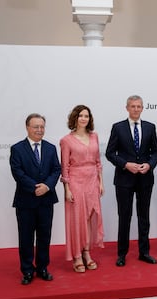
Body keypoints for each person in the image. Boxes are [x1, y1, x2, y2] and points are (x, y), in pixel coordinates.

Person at [106, 95, 157, 267]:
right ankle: (122, 254)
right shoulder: (118, 127)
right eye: (133, 106)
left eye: (139, 106)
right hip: (124, 180)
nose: (136, 109)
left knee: (144, 217)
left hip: (145, 179)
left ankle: (144, 252)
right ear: (127, 108)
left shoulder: (150, 127)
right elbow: (109, 153)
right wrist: (125, 164)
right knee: (125, 217)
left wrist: (149, 165)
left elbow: (156, 152)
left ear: (142, 108)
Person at [10, 113, 61, 285]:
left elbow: (56, 170)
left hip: (46, 200)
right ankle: (27, 270)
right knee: (26, 237)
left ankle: (42, 268)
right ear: (27, 127)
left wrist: (47, 186)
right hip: (26, 201)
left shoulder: (51, 148)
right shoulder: (17, 149)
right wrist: (34, 187)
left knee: (44, 236)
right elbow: (18, 173)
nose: (39, 130)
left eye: (42, 127)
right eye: (36, 126)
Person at [60, 105, 104, 273]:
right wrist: (67, 188)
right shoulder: (66, 140)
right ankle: (77, 255)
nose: (84, 118)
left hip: (93, 181)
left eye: (86, 115)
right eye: (80, 116)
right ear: (75, 118)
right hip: (76, 183)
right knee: (78, 220)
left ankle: (86, 252)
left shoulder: (94, 136)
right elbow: (65, 167)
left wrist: (101, 182)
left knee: (90, 218)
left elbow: (98, 161)